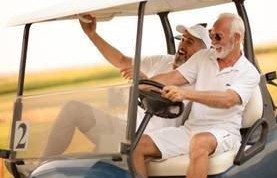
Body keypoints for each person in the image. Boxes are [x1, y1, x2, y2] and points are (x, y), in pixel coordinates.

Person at [42, 15, 211, 157]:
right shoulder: (163, 60)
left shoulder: (201, 77)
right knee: (73, 109)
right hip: (123, 128)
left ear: (202, 54)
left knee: (95, 159)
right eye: (182, 39)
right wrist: (92, 34)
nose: (182, 45)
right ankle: (37, 169)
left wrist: (144, 80)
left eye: (190, 42)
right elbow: (122, 61)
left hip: (149, 138)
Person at [132, 13, 260, 178]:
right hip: (190, 130)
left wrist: (186, 95)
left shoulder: (248, 72)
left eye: (217, 36)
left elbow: (228, 99)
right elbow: (174, 77)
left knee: (199, 142)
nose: (213, 41)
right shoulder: (203, 58)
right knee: (136, 145)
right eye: (211, 35)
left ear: (236, 38)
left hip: (223, 132)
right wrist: (144, 84)